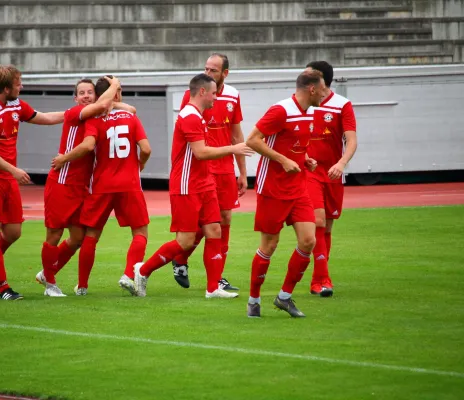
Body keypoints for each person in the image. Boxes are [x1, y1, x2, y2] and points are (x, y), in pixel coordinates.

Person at [133, 73, 253, 299]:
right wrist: (233, 148)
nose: (216, 98)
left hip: (204, 184)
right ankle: (143, 271)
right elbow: (201, 152)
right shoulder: (189, 116)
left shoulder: (199, 116)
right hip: (186, 186)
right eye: (214, 93)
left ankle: (212, 288)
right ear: (202, 92)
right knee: (185, 241)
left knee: (215, 230)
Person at [0, 64, 66, 300]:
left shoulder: (15, 104)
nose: (22, 86)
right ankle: (4, 288)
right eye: (18, 84)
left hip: (7, 176)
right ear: (6, 88)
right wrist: (14, 170)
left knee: (13, 232)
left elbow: (44, 117)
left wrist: (77, 113)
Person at [35, 76, 135, 297]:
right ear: (75, 98)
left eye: (90, 92)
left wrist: (112, 102)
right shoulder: (75, 113)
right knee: (54, 234)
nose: (86, 96)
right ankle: (50, 284)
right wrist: (115, 85)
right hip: (62, 183)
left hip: (81, 187)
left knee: (78, 237)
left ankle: (46, 273)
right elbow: (89, 143)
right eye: (81, 93)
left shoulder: (95, 115)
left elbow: (130, 109)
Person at [244, 69, 326, 317]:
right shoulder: (281, 110)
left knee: (309, 241)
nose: (325, 93)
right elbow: (252, 140)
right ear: (312, 89)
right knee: (269, 245)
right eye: (323, 88)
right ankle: (253, 300)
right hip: (272, 188)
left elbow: (293, 144)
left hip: (298, 187)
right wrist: (283, 160)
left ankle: (284, 297)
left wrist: (305, 158)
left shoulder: (308, 113)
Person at [171, 53, 248, 292]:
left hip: (224, 168)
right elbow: (187, 131)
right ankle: (180, 259)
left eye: (213, 70)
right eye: (206, 68)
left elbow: (236, 134)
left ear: (225, 73)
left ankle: (217, 277)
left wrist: (242, 172)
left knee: (223, 221)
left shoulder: (233, 95)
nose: (207, 73)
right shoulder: (193, 95)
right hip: (202, 167)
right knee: (201, 224)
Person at [305, 61, 358, 297]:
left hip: (333, 174)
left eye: (307, 75)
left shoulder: (342, 105)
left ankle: (319, 278)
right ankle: (323, 280)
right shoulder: (301, 103)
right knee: (318, 221)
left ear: (321, 80)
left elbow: (352, 140)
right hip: (310, 172)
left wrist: (341, 163)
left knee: (326, 226)